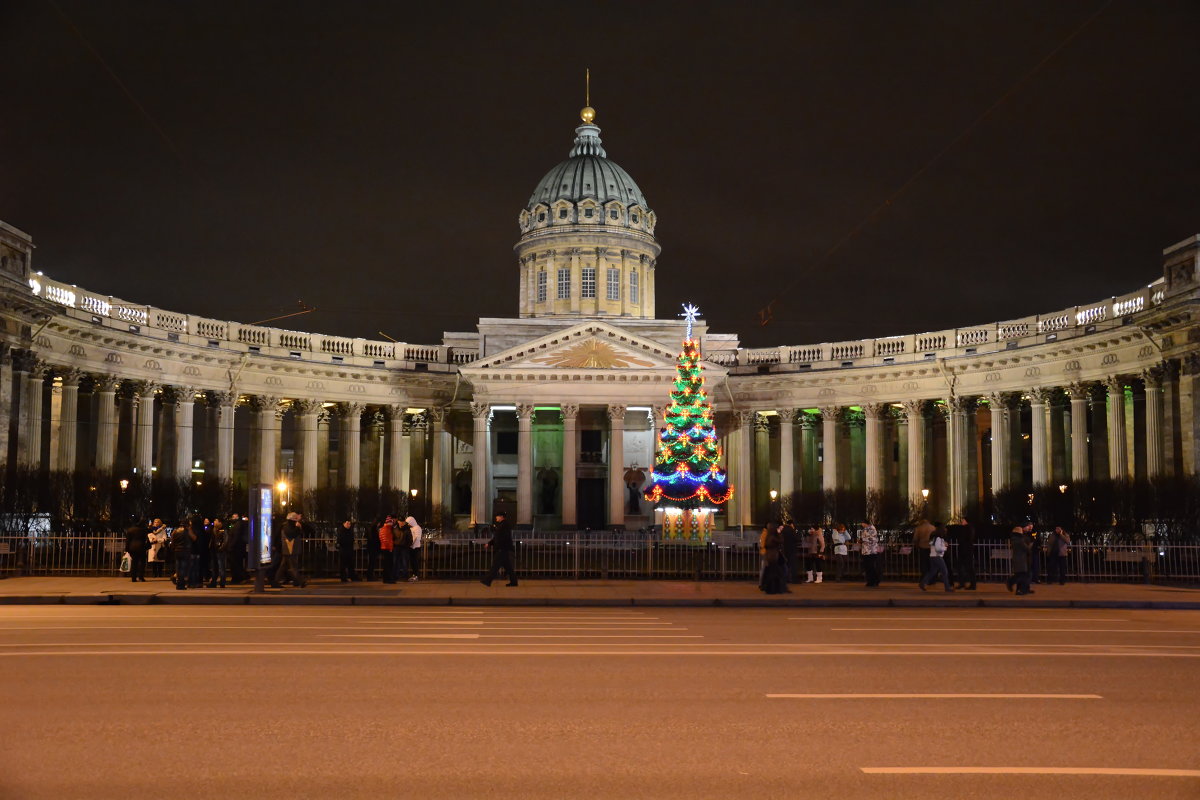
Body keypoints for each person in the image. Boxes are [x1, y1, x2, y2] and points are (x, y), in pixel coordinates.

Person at [481, 511, 518, 587]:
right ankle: (514, 582)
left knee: (495, 565)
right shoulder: (502, 525)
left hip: (502, 549)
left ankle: (487, 580)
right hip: (502, 548)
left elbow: (501, 537)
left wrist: (495, 544)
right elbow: (497, 537)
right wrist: (489, 543)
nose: (496, 518)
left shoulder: (504, 525)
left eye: (497, 516)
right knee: (508, 567)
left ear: (501, 517)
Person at [271, 512, 307, 589]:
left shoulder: (286, 526)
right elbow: (292, 534)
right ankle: (300, 581)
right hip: (290, 550)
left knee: (283, 566)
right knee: (293, 566)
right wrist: (298, 528)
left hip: (288, 550)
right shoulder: (288, 527)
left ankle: (276, 581)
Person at [918, 522, 954, 592]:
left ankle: (923, 583)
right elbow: (939, 547)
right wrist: (945, 546)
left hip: (933, 555)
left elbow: (931, 543)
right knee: (944, 571)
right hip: (937, 555)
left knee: (933, 571)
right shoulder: (939, 536)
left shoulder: (933, 534)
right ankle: (947, 588)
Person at [759, 521, 788, 594]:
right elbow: (781, 541)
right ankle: (776, 589)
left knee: (772, 573)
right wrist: (779, 533)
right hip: (773, 556)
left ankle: (772, 588)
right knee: (777, 573)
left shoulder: (769, 536)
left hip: (771, 556)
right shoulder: (772, 537)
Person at [949, 517, 977, 590]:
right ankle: (969, 583)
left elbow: (963, 539)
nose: (962, 521)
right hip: (967, 550)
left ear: (966, 521)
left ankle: (966, 583)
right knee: (966, 568)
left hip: (965, 551)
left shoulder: (966, 529)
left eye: (963, 520)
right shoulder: (970, 528)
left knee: (964, 567)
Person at [1008, 522, 1033, 595]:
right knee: (1022, 575)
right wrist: (1030, 547)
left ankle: (1021, 589)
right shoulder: (1020, 540)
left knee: (1021, 574)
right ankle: (1013, 584)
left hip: (1019, 558)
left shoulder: (1014, 539)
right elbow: (1026, 548)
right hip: (1021, 559)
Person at [172, 522, 195, 591]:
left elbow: (172, 540)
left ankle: (178, 582)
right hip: (185, 550)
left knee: (178, 567)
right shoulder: (187, 531)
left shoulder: (175, 531)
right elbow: (194, 538)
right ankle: (181, 584)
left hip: (177, 550)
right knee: (183, 568)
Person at [859, 522, 882, 587]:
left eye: (862, 523)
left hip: (871, 551)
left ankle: (874, 580)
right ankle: (870, 581)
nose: (861, 525)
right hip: (866, 550)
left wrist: (862, 539)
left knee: (870, 566)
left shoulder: (871, 529)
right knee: (867, 567)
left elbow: (873, 539)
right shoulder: (866, 529)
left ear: (865, 523)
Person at [208, 518, 228, 588]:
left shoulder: (223, 530)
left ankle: (222, 582)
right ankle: (214, 581)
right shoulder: (213, 529)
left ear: (220, 522)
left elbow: (225, 541)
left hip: (220, 551)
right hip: (213, 551)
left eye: (216, 521)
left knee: (221, 567)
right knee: (214, 567)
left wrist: (221, 548)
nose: (214, 522)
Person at [781, 520, 800, 584]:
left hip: (785, 549)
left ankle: (786, 579)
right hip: (792, 549)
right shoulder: (791, 530)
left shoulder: (783, 529)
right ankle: (794, 579)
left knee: (786, 564)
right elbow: (797, 539)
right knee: (793, 565)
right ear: (791, 524)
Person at [378, 517, 396, 584]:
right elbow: (388, 541)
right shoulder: (387, 529)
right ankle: (388, 579)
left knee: (386, 564)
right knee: (388, 564)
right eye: (391, 522)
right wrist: (391, 548)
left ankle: (386, 579)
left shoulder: (382, 529)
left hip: (384, 548)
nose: (392, 524)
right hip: (387, 549)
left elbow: (383, 539)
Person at [405, 515, 423, 582]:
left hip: (415, 547)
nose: (408, 524)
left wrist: (412, 545)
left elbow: (416, 538)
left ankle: (416, 575)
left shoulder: (417, 528)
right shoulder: (413, 528)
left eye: (409, 522)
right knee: (413, 562)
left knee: (415, 562)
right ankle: (414, 574)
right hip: (412, 547)